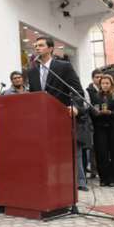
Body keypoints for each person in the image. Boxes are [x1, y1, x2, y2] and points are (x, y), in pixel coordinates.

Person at [27, 36, 88, 191]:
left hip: (61, 116)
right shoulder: (32, 71)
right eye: (35, 46)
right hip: (42, 120)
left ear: (51, 48)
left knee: (64, 154)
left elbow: (77, 91)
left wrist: (75, 107)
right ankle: (48, 183)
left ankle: (69, 184)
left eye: (40, 45)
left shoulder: (64, 66)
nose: (37, 48)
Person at [91, 74, 114, 187]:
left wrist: (110, 113)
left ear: (111, 84)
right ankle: (104, 178)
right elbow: (93, 110)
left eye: (107, 83)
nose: (104, 85)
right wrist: (96, 112)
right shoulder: (96, 95)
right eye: (102, 83)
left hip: (113, 127)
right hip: (100, 127)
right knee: (101, 153)